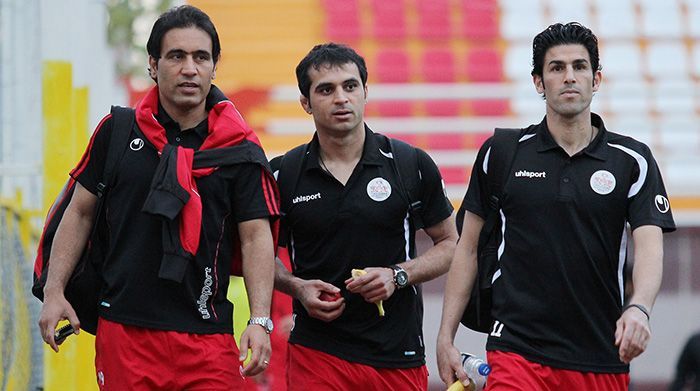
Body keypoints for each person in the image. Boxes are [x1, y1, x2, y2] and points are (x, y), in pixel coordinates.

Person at [37, 5, 279, 390]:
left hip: (209, 337)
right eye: (176, 56)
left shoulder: (241, 151)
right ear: (153, 64)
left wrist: (260, 320)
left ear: (214, 66)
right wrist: (54, 292)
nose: (189, 68)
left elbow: (255, 237)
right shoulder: (116, 131)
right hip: (125, 333)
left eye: (201, 57)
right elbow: (79, 213)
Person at [437, 22, 676, 391]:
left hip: (600, 354)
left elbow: (649, 248)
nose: (569, 77)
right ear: (538, 82)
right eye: (557, 68)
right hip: (516, 349)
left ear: (596, 80)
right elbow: (466, 249)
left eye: (580, 67)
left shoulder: (633, 160)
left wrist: (639, 307)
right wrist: (445, 336)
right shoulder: (502, 153)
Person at [271, 43, 458, 390]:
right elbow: (255, 253)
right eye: (326, 89)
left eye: (350, 86)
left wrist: (397, 276)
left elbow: (451, 243)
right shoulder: (284, 173)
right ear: (305, 103)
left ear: (365, 92)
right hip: (317, 354)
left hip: (397, 355)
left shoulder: (409, 164)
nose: (341, 98)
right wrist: (296, 288)